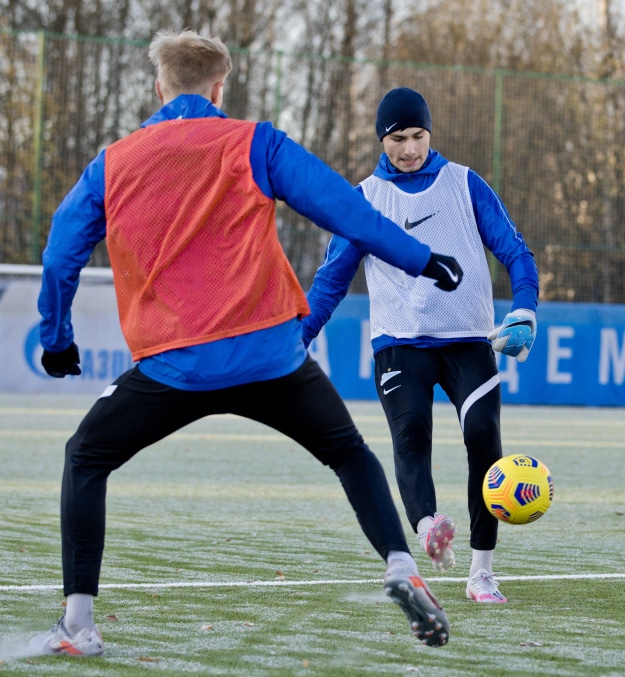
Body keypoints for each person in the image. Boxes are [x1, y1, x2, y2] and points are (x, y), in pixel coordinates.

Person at [30, 33, 464, 657]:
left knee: (85, 457)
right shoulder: (255, 142)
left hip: (174, 366)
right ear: (218, 88)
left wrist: (56, 338)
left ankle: (79, 623)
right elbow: (348, 211)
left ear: (160, 88)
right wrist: (425, 260)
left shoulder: (114, 162)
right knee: (347, 451)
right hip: (271, 357)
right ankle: (400, 563)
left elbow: (60, 252)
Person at [301, 87, 539, 605]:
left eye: (417, 136)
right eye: (397, 138)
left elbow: (516, 252)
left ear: (430, 133)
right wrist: (296, 336)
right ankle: (430, 527)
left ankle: (482, 572)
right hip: (399, 343)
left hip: (467, 340)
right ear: (381, 140)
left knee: (483, 438)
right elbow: (328, 284)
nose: (409, 148)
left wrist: (524, 309)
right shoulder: (362, 199)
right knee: (411, 438)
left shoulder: (465, 184)